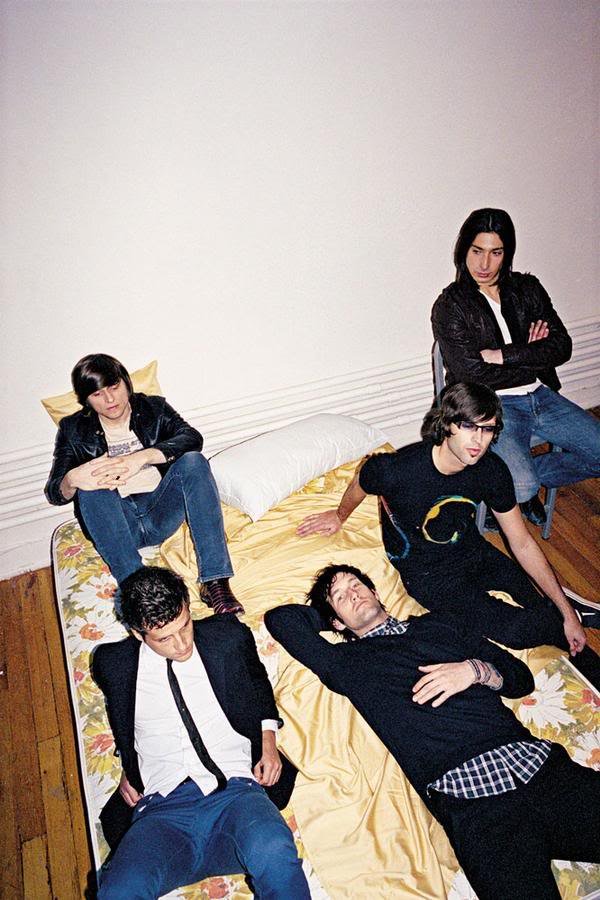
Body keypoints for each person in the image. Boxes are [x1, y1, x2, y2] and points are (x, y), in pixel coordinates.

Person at [265, 565, 600, 900]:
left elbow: (520, 679)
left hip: (540, 769)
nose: (353, 593)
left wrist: (473, 671)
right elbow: (281, 620)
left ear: (376, 592)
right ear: (336, 623)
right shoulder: (346, 663)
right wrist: (336, 615)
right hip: (477, 807)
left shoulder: (442, 625)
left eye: (357, 585)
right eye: (340, 597)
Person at [296, 382, 600, 685]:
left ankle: (575, 624)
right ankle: (569, 615)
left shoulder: (491, 470)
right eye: (468, 426)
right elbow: (363, 479)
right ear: (447, 424)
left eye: (488, 429)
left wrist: (565, 612)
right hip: (430, 579)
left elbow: (521, 542)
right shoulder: (397, 470)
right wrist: (339, 515)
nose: (478, 440)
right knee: (517, 632)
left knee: (548, 609)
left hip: (474, 552)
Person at [92, 566, 309, 899]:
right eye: (164, 638)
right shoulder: (112, 663)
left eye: (185, 625)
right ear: (137, 633)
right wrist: (129, 763)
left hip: (237, 796)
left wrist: (268, 738)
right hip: (162, 814)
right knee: (117, 891)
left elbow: (258, 682)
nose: (181, 645)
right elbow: (121, 716)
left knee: (275, 851)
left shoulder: (228, 635)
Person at [431, 207, 600, 524]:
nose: (484, 264)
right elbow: (471, 374)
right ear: (463, 251)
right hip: (492, 405)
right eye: (477, 251)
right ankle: (515, 486)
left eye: (495, 253)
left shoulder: (528, 288)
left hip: (541, 395)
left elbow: (562, 347)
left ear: (506, 254)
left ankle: (492, 482)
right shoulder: (450, 305)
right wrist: (533, 353)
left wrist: (502, 355)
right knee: (523, 487)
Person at [45, 353, 242, 614]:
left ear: (126, 382)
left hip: (160, 510)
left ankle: (215, 582)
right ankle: (137, 588)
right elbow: (54, 492)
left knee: (194, 461)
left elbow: (192, 438)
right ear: (87, 400)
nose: (110, 399)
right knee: (90, 488)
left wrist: (141, 458)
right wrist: (72, 479)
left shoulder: (153, 408)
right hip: (116, 522)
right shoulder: (73, 428)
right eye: (97, 394)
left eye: (114, 387)